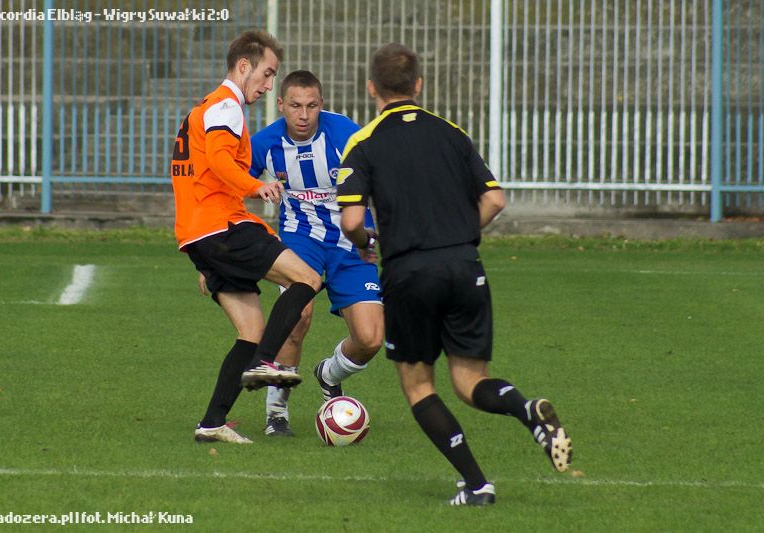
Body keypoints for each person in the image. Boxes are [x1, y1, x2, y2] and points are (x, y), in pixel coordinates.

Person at [337, 43, 573, 505]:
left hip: (409, 272)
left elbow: (350, 221)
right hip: (466, 266)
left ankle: (478, 485)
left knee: (418, 385)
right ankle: (526, 408)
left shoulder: (363, 142)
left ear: (371, 88)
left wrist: (366, 243)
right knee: (469, 382)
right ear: (418, 84)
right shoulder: (452, 132)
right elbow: (495, 200)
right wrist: (461, 234)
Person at [171, 30, 322, 445]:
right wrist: (256, 186)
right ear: (244, 66)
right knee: (307, 279)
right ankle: (266, 362)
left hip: (198, 234)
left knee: (252, 328)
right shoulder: (226, 106)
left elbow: (200, 170)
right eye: (267, 73)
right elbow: (220, 160)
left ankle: (212, 423)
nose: (270, 84)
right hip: (223, 226)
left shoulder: (205, 107)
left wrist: (209, 255)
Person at [250, 70, 384, 437]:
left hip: (352, 242)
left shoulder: (346, 134)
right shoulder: (264, 143)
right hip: (300, 239)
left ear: (321, 104)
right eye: (295, 106)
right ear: (281, 105)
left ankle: (329, 373)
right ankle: (276, 413)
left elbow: (382, 180)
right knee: (297, 317)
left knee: (370, 339)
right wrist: (257, 188)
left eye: (311, 106)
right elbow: (231, 186)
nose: (304, 115)